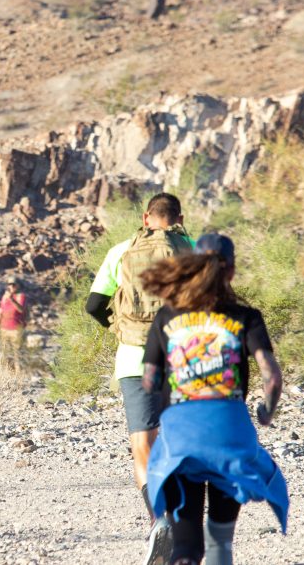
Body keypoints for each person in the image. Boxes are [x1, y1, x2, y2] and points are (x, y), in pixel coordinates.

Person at [142, 233, 288, 565]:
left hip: (182, 434)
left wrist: (171, 396)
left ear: (191, 267)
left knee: (185, 546)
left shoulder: (166, 317)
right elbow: (272, 377)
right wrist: (266, 411)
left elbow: (149, 380)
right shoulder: (245, 317)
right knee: (220, 540)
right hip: (230, 430)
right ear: (232, 272)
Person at [84, 192, 193, 562]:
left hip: (134, 360)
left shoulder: (121, 251)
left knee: (142, 445)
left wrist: (116, 325)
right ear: (179, 218)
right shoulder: (193, 249)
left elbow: (93, 304)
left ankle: (158, 519)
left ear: (147, 217)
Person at [0, 275, 27, 373]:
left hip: (16, 329)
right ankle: (8, 373)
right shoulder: (4, 297)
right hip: (4, 328)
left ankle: (18, 373)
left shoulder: (21, 296)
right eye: (10, 285)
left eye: (13, 285)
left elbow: (21, 309)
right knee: (5, 352)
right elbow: (0, 311)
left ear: (17, 286)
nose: (11, 287)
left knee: (17, 353)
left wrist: (12, 299)